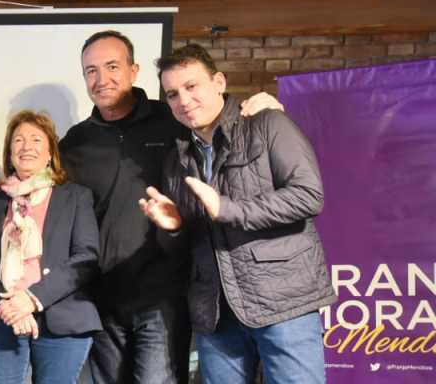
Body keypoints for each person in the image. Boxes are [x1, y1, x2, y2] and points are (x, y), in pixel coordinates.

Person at [59, 30, 283, 384]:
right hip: (102, 299)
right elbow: (50, 199)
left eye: (112, 66)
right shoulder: (75, 142)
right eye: (91, 70)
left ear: (134, 71)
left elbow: (220, 120)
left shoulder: (173, 119)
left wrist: (257, 108)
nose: (101, 79)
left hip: (164, 296)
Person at [139, 44, 334, 383]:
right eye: (172, 94)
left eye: (191, 86)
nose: (183, 100)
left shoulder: (268, 123)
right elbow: (181, 250)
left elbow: (308, 196)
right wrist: (173, 228)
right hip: (215, 312)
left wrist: (226, 209)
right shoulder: (176, 159)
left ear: (219, 82)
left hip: (282, 303)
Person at [0, 110, 100, 383]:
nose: (26, 146)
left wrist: (31, 299)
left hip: (62, 319)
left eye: (36, 140)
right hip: (2, 317)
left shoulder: (76, 197)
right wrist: (6, 307)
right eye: (18, 140)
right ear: (9, 152)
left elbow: (86, 257)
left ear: (50, 153)